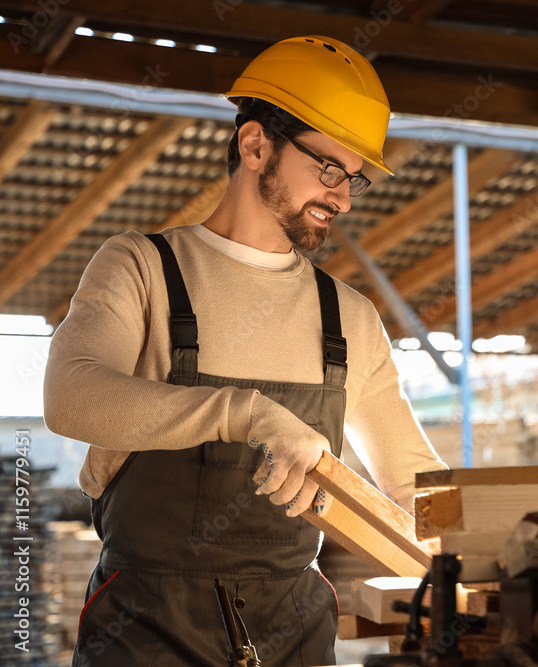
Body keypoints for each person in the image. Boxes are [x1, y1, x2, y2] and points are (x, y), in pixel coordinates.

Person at [43, 35, 448, 666]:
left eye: (354, 179)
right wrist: (245, 413)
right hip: (148, 630)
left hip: (295, 632)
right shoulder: (143, 269)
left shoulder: (349, 317)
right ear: (256, 145)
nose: (342, 197)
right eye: (329, 168)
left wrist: (507, 541)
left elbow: (413, 483)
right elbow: (72, 399)